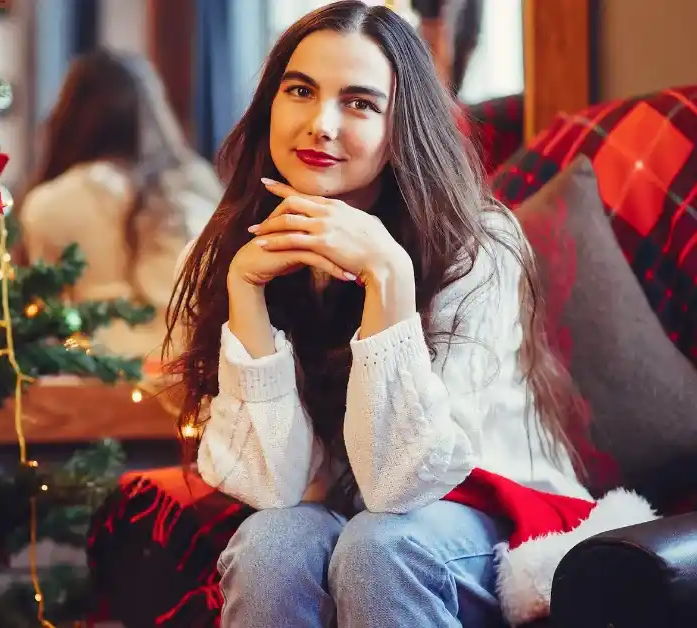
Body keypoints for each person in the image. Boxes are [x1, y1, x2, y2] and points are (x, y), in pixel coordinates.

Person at [163, 2, 589, 626]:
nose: (321, 124)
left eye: (359, 103)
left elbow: (401, 486)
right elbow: (270, 490)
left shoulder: (476, 243)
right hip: (340, 507)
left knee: (380, 546)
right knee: (269, 544)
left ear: (402, 128)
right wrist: (246, 294)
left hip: (488, 510)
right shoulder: (233, 244)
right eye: (300, 91)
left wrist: (386, 276)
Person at [18, 50, 222, 366]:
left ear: (68, 115)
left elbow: (43, 316)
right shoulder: (195, 183)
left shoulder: (49, 202)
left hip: (91, 374)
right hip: (187, 372)